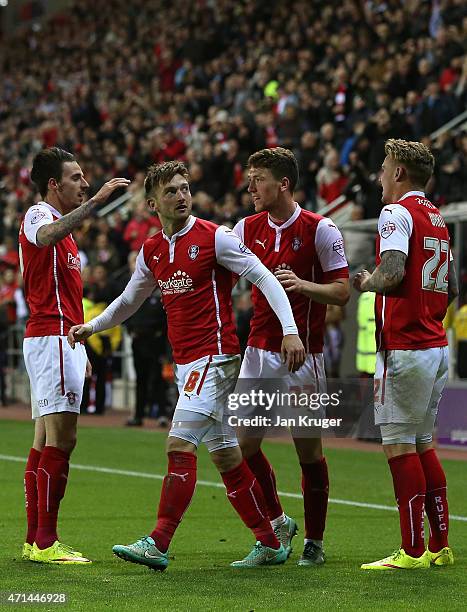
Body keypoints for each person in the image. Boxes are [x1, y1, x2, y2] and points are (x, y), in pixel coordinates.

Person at [68, 160, 306, 570]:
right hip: (187, 363)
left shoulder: (217, 238)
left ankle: (157, 541)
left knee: (178, 445)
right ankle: (271, 537)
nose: (182, 196)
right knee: (227, 457)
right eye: (172, 191)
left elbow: (264, 277)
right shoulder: (152, 250)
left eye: (184, 188)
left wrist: (289, 329)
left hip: (215, 357)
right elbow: (129, 301)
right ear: (152, 203)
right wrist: (92, 326)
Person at [232, 147, 350, 566]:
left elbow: (342, 291)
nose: (250, 186)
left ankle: (314, 542)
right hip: (258, 353)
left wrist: (302, 285)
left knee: (308, 453)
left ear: (282, 184)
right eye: (250, 177)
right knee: (242, 448)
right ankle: (278, 523)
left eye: (258, 178)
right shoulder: (245, 228)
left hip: (303, 357)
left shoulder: (320, 229)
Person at [20, 147, 130, 564]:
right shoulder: (39, 215)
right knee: (63, 440)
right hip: (51, 337)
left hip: (59, 339)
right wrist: (98, 201)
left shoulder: (65, 235)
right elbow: (44, 235)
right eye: (76, 178)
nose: (84, 184)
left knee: (44, 439)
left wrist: (79, 345)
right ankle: (47, 542)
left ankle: (35, 541)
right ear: (53, 184)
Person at [354, 138, 458, 570]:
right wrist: (427, 314)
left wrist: (365, 281)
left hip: (405, 347)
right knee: (423, 442)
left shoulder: (396, 213)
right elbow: (451, 288)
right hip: (434, 346)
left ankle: (412, 551)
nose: (379, 175)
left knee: (398, 446)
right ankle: (440, 545)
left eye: (383, 167)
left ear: (398, 173)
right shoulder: (437, 218)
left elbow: (393, 273)